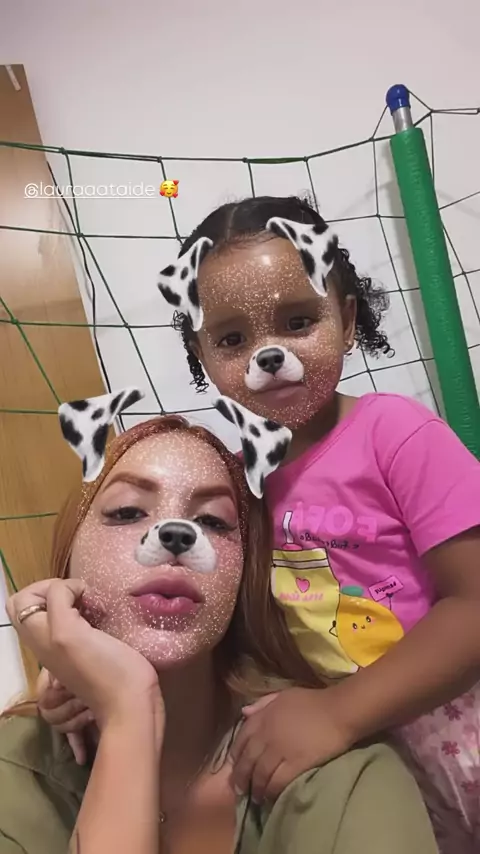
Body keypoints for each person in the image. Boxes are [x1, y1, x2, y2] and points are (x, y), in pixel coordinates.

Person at [156, 194, 480, 851]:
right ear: (202, 355)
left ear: (347, 320)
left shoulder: (396, 432)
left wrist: (339, 711)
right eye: (232, 339)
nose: (269, 353)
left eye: (298, 321)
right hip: (375, 764)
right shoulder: (238, 485)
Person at [0, 414, 439, 854]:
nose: (176, 536)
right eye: (128, 511)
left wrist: (127, 711)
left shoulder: (339, 774)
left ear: (245, 573)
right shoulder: (14, 769)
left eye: (213, 521)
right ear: (68, 554)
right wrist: (128, 712)